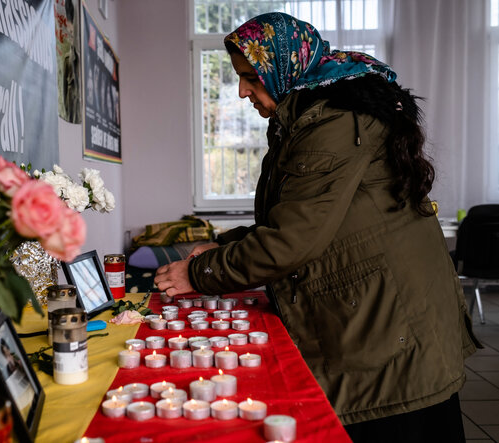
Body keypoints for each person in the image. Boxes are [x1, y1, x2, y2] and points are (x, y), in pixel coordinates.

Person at [154, 12, 479, 442]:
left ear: (283, 65)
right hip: (377, 318)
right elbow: (294, 217)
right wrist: (219, 245)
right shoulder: (307, 118)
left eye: (251, 76)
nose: (241, 91)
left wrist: (200, 273)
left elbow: (291, 240)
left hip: (388, 331)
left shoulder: (332, 123)